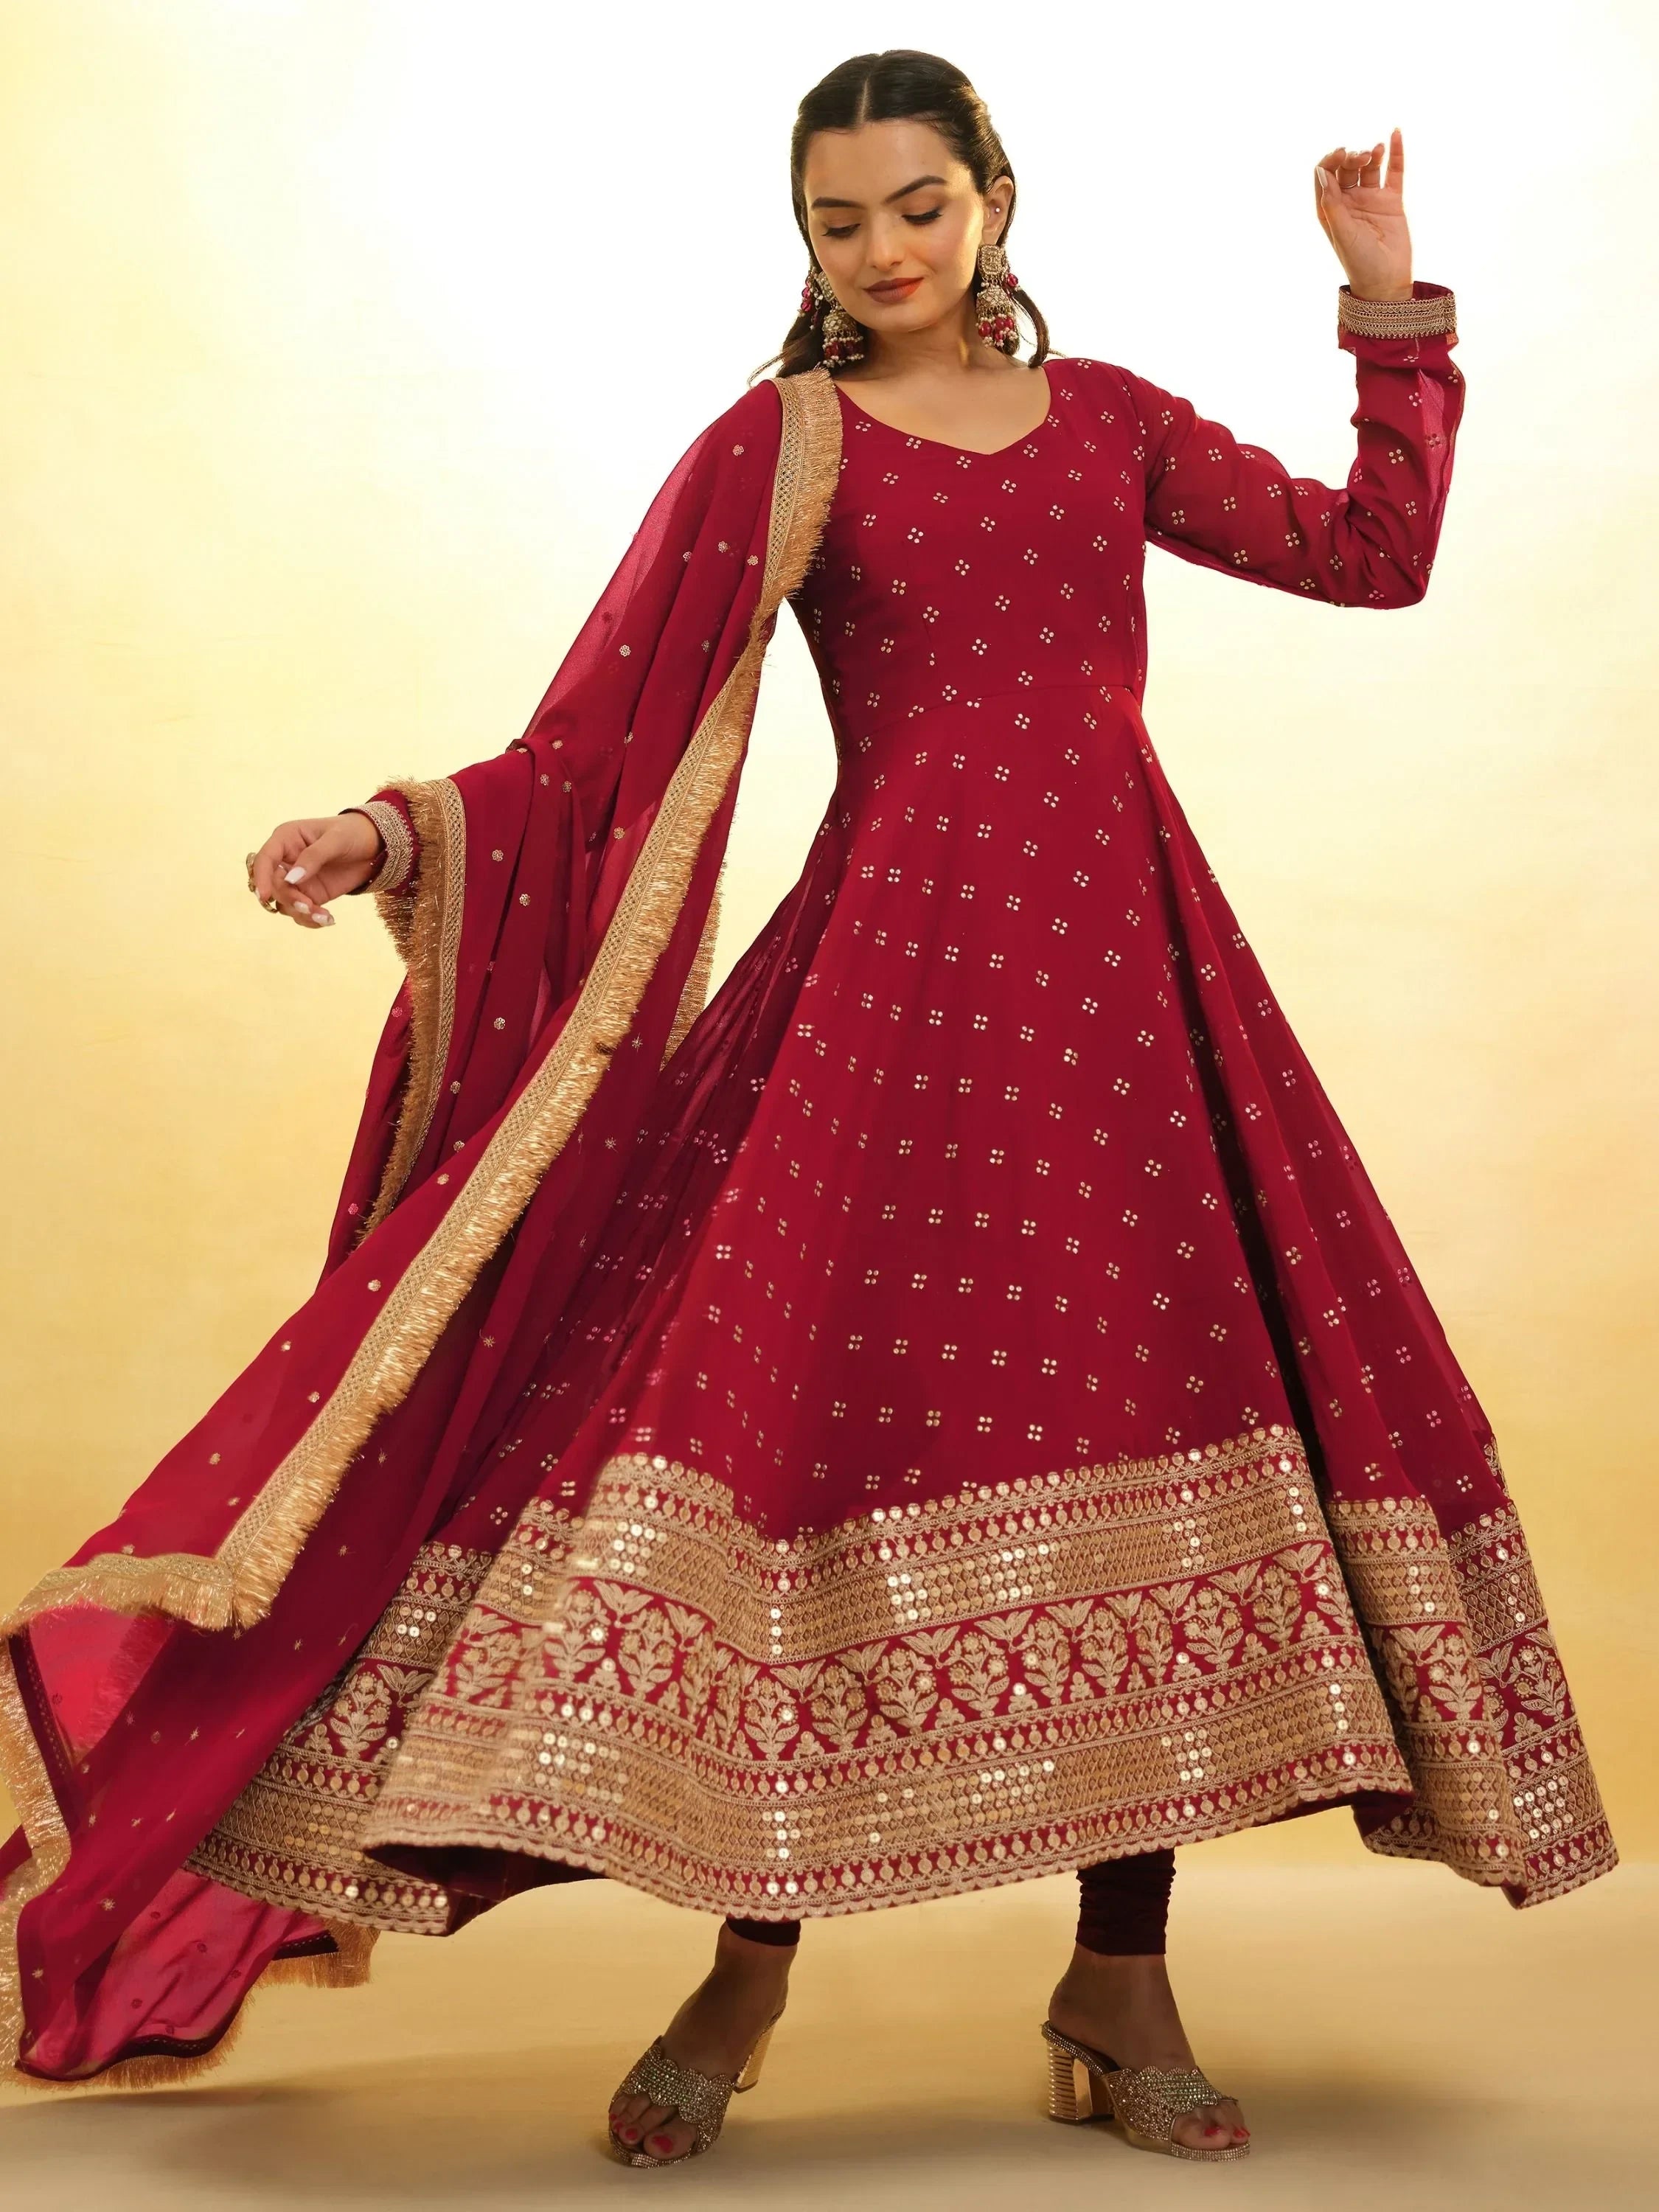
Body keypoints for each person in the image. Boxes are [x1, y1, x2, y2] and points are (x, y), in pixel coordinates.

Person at [0, 47, 1615, 2171]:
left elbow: (1370, 553)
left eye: (919, 206)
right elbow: (593, 745)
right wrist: (388, 834)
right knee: (806, 1459)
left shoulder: (1110, 419)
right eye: (839, 222)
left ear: (996, 200)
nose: (885, 251)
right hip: (879, 1012)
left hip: (1126, 997)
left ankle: (1121, 1979)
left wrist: (1386, 304)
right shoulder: (784, 446)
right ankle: (744, 1967)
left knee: (1141, 1435)